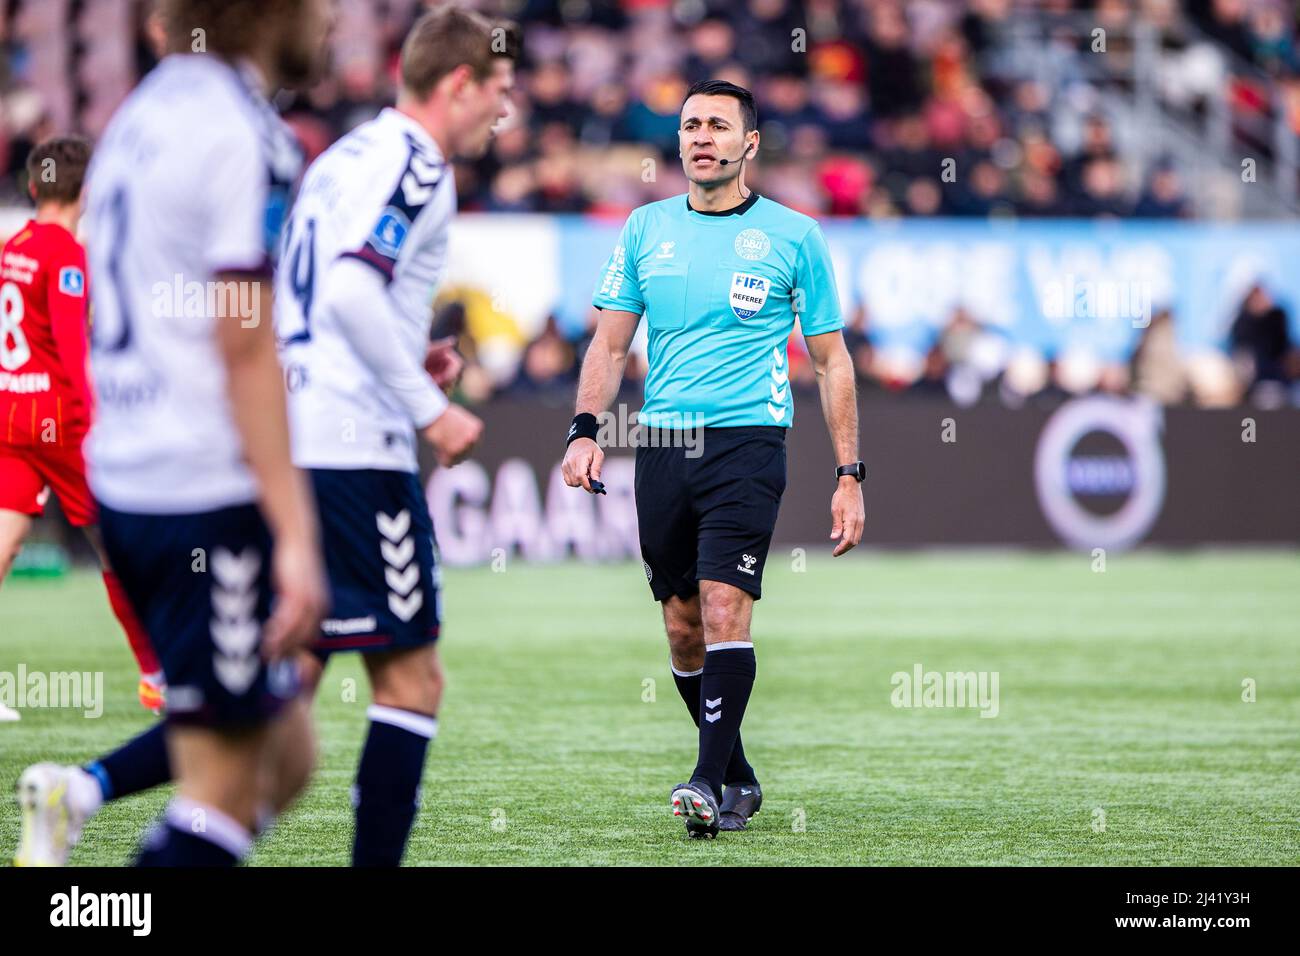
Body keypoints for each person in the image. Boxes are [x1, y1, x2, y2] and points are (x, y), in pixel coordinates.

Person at [15, 0, 332, 867]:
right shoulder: (245, 132)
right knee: (223, 788)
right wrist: (298, 535)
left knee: (287, 756)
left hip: (132, 477)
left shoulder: (139, 116)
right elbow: (242, 340)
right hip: (202, 490)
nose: (335, 18)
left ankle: (85, 797)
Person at [561, 79, 865, 839]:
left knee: (726, 606)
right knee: (681, 626)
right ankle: (738, 776)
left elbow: (831, 363)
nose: (701, 136)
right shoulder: (645, 228)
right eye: (691, 124)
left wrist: (848, 474)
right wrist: (585, 428)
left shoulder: (795, 236)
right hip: (662, 442)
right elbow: (610, 341)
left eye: (718, 126)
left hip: (747, 440)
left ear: (749, 144)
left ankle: (703, 781)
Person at [274, 4, 512, 865]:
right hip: (358, 450)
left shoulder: (343, 156)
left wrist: (412, 354)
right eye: (500, 90)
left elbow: (322, 298)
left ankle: (93, 790)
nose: (506, 111)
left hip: (298, 437)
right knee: (412, 681)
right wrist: (428, 406)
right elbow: (346, 293)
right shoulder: (421, 164)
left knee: (282, 693)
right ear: (459, 83)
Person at [0, 137, 163, 716]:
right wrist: (97, 422)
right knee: (114, 545)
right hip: (58, 420)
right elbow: (72, 347)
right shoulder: (67, 254)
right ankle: (156, 674)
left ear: (34, 186)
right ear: (86, 190)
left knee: (6, 542)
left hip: (10, 413)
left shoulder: (13, 246)